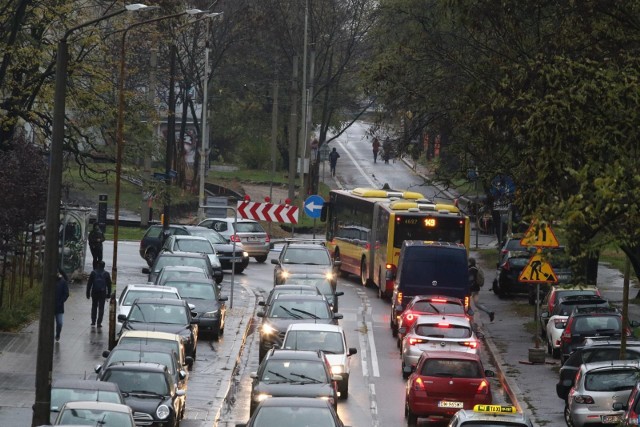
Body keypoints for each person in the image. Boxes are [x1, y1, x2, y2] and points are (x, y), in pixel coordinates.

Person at [86, 260, 112, 328]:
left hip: (94, 292)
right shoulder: (106, 274)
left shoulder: (93, 273)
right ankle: (99, 323)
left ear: (98, 265)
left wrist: (88, 293)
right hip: (102, 293)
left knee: (94, 306)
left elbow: (89, 284)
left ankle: (93, 321)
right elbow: (109, 285)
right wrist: (109, 293)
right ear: (104, 266)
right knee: (101, 308)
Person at [468, 257, 495, 322]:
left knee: (467, 303)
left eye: (468, 262)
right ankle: (489, 312)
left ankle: (471, 317)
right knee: (477, 304)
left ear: (470, 262)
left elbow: (471, 280)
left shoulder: (472, 270)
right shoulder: (476, 268)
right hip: (476, 289)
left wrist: (468, 286)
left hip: (472, 289)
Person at [54, 268, 70, 342]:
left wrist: (61, 301)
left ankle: (58, 334)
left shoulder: (63, 282)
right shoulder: (50, 282)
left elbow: (66, 294)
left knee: (60, 323)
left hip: (59, 307)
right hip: (50, 307)